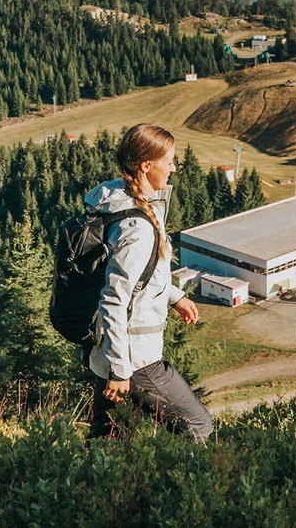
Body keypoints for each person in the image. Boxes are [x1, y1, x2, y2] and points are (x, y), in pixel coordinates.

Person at [88, 123, 211, 442]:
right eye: (168, 160)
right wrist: (120, 370)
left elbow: (138, 275)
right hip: (134, 357)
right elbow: (113, 298)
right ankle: (185, 490)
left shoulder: (119, 201)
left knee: (108, 440)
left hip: (108, 351)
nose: (173, 168)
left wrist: (174, 296)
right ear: (146, 165)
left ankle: (98, 492)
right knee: (198, 425)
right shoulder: (138, 228)